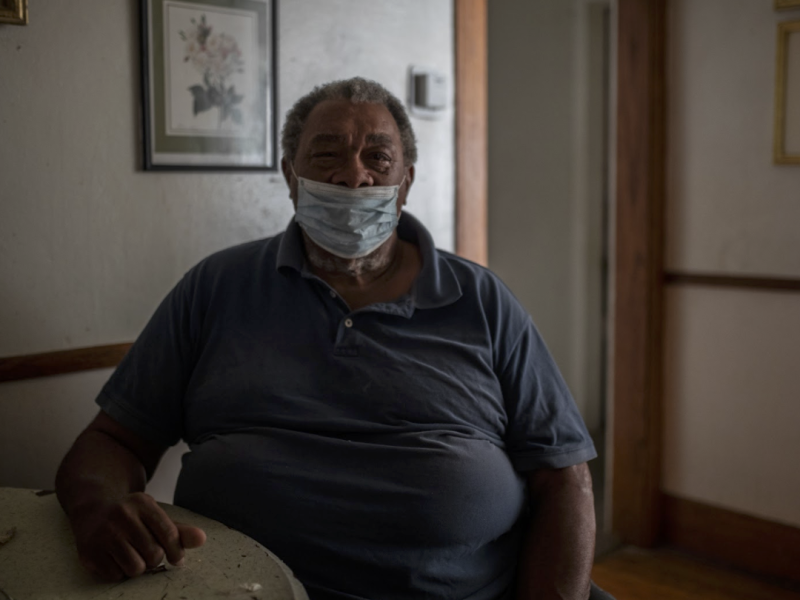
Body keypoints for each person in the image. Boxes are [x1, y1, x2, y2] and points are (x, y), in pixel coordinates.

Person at [56, 77, 610, 600]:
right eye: (326, 155)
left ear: (406, 182)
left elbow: (563, 477)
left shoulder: (483, 301)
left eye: (378, 157)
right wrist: (98, 509)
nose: (354, 176)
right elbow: (114, 442)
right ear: (290, 176)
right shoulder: (216, 287)